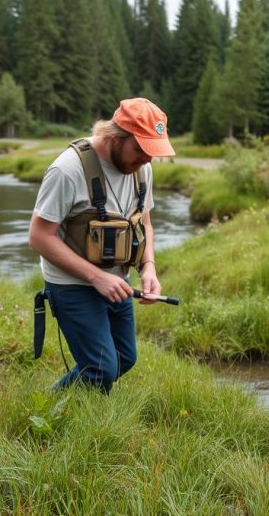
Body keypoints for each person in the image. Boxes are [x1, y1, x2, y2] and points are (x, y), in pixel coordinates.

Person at [28, 97, 176, 393]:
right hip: (72, 284)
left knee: (124, 359)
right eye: (140, 149)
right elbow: (39, 237)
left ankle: (64, 405)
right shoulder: (67, 170)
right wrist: (96, 277)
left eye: (152, 152)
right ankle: (60, 417)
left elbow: (143, 222)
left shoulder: (142, 169)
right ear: (115, 136)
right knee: (100, 368)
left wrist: (149, 267)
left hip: (117, 281)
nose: (147, 160)